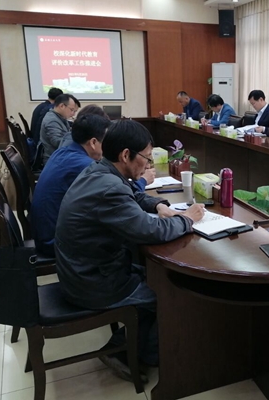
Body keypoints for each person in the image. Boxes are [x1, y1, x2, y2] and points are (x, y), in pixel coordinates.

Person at [54, 119, 205, 378]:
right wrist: (187, 219)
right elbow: (150, 230)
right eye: (146, 158)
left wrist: (157, 205)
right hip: (92, 281)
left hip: (83, 268)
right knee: (168, 294)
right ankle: (132, 354)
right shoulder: (108, 187)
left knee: (157, 277)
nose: (148, 164)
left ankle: (129, 345)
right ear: (126, 155)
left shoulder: (100, 170)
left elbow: (132, 194)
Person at [30, 114, 112, 257]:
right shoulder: (84, 165)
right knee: (119, 231)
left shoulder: (63, 151)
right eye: (106, 142)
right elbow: (113, 192)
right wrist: (141, 180)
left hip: (45, 233)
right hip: (54, 242)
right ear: (93, 142)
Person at [39, 93, 80, 165]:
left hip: (60, 156)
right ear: (62, 106)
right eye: (71, 110)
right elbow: (58, 142)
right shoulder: (52, 120)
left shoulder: (59, 117)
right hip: (55, 160)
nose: (73, 114)